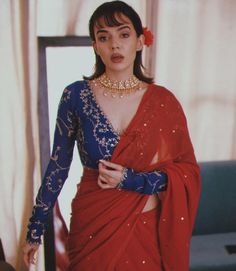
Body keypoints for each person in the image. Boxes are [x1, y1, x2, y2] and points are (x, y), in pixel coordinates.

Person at [22, 1, 201, 270]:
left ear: (140, 41)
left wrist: (133, 181)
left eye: (123, 34)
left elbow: (185, 172)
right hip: (92, 223)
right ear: (95, 46)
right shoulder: (76, 96)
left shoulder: (163, 102)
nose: (114, 45)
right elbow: (58, 166)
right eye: (104, 37)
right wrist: (34, 230)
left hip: (144, 227)